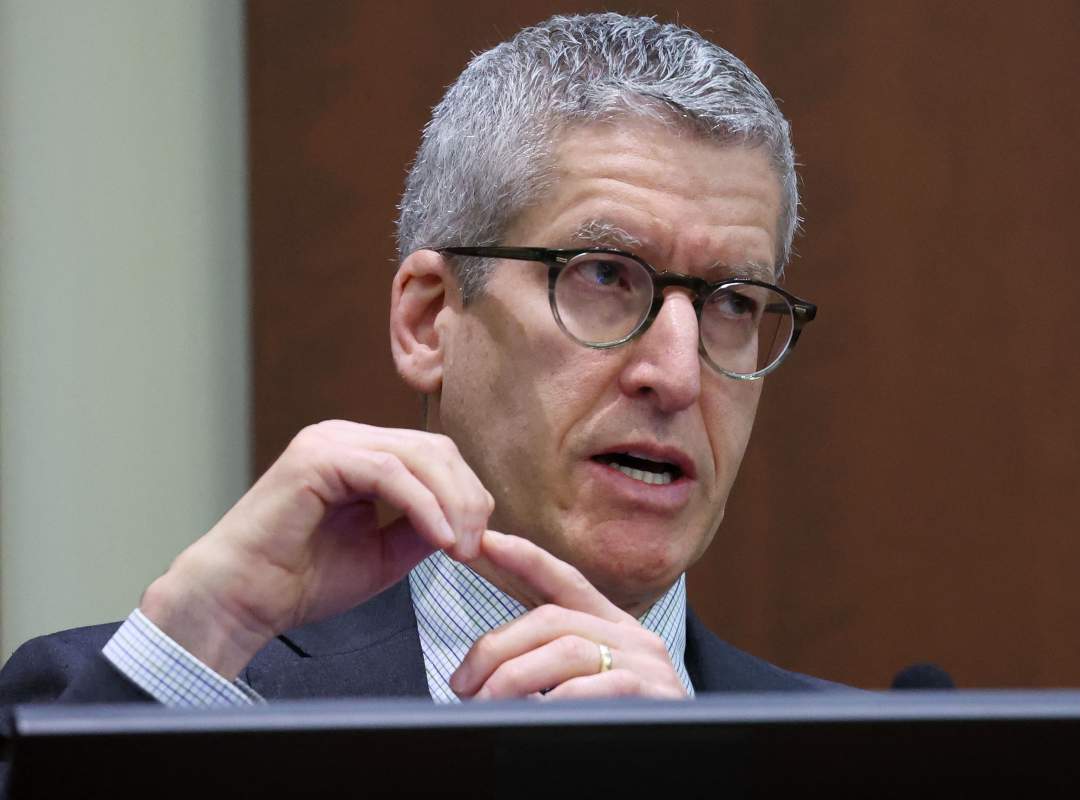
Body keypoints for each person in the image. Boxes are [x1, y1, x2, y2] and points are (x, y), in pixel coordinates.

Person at [0, 12, 838, 734]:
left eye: (733, 301)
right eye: (605, 275)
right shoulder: (161, 705)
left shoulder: (864, 765)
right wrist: (202, 635)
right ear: (429, 318)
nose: (678, 375)